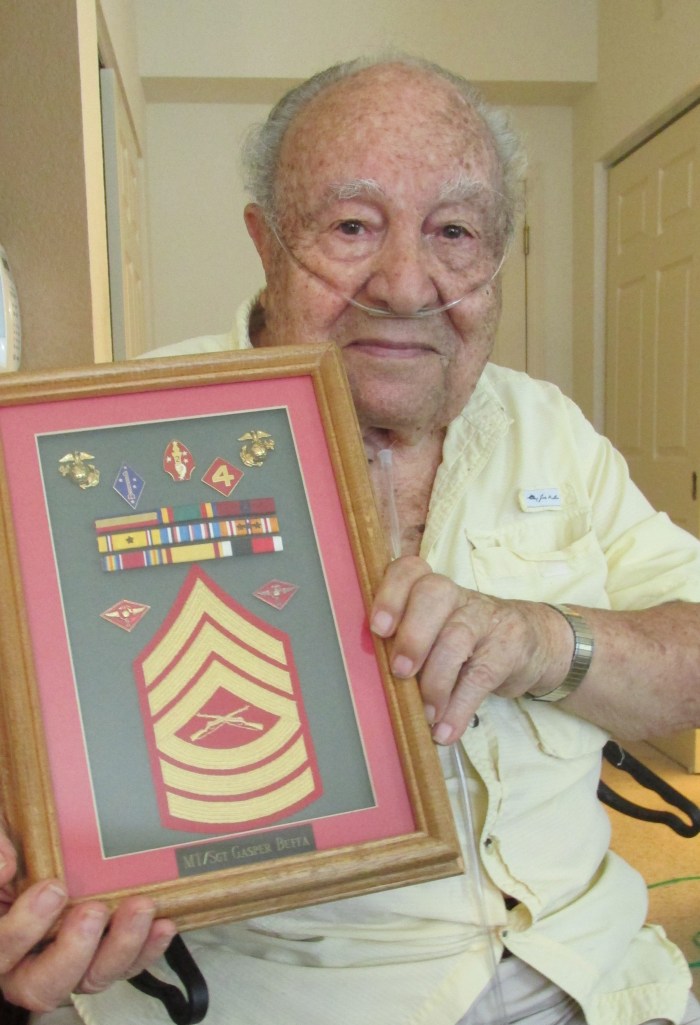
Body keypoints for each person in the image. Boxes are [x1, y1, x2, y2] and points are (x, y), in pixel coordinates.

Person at [2, 53, 700, 1025]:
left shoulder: (547, 427)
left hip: (594, 976)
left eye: (453, 231)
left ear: (498, 257)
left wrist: (545, 639)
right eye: (352, 226)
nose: (406, 284)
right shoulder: (104, 445)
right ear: (266, 240)